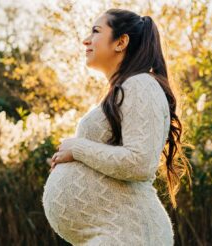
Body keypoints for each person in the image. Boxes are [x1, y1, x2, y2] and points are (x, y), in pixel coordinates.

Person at [42, 8, 192, 246]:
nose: (86, 40)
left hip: (128, 233)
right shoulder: (126, 88)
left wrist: (78, 149)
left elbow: (140, 162)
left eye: (96, 31)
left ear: (121, 42)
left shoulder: (141, 85)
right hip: (114, 233)